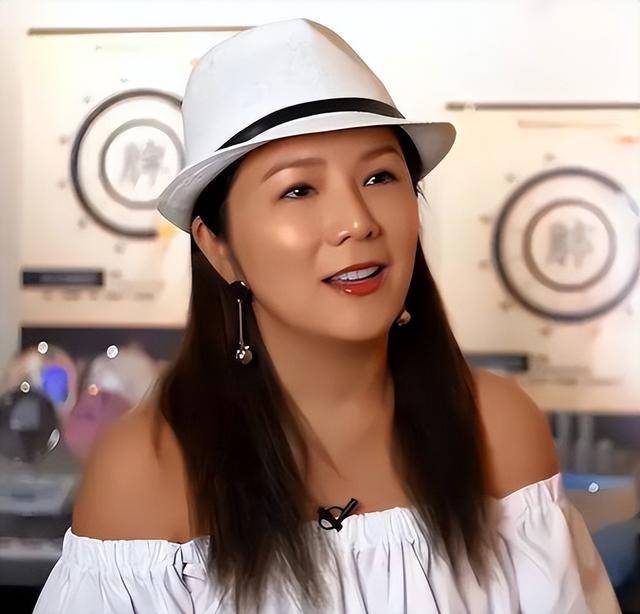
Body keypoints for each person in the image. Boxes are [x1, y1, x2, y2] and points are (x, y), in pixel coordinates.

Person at [33, 17, 620, 613]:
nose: (358, 221)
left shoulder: (498, 430)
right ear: (218, 246)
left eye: (380, 176)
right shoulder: (146, 474)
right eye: (299, 189)